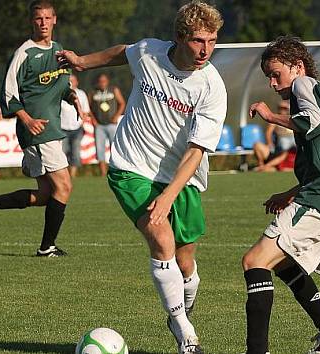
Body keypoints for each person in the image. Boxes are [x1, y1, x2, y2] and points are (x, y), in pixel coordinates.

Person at [57, 2, 226, 352]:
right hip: (131, 167)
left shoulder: (212, 87)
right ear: (180, 37)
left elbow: (195, 152)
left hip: (181, 178)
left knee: (185, 263)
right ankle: (185, 334)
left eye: (212, 40)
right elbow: (124, 52)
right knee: (161, 240)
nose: (206, 49)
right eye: (198, 40)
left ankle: (179, 308)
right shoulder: (150, 52)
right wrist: (82, 62)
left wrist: (167, 197)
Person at [242, 36, 320, 354]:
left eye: (276, 73)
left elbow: (311, 123)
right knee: (282, 264)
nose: (272, 81)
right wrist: (293, 192)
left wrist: (270, 117)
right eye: (268, 75)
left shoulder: (304, 85)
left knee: (255, 261)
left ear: (298, 66)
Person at [0, 0, 81, 257]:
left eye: (48, 18)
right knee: (65, 187)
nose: (43, 23)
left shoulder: (59, 50)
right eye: (39, 19)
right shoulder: (23, 54)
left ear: (55, 20)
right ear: (32, 21)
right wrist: (27, 120)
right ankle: (46, 248)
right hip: (38, 130)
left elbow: (58, 86)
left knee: (47, 195)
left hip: (49, 128)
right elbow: (8, 94)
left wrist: (70, 96)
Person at [88, 73, 126, 176]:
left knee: (114, 147)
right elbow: (88, 107)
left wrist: (116, 116)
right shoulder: (93, 92)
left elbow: (122, 103)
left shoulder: (113, 90)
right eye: (100, 81)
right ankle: (103, 173)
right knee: (99, 149)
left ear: (107, 81)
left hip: (111, 124)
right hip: (99, 125)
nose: (102, 83)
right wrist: (93, 119)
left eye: (104, 81)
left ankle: (116, 170)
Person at [61, 73, 92, 177]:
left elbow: (86, 111)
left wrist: (81, 122)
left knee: (75, 151)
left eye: (73, 80)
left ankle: (73, 175)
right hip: (62, 128)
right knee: (62, 152)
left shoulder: (81, 94)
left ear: (77, 82)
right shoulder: (60, 93)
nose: (71, 83)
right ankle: (64, 175)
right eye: (69, 81)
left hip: (77, 128)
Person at [252, 100, 296, 172]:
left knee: (287, 152)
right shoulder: (275, 120)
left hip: (290, 151)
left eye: (284, 108)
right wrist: (270, 143)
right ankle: (262, 165)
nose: (282, 110)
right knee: (257, 145)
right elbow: (268, 133)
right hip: (278, 150)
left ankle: (268, 167)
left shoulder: (292, 119)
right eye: (280, 108)